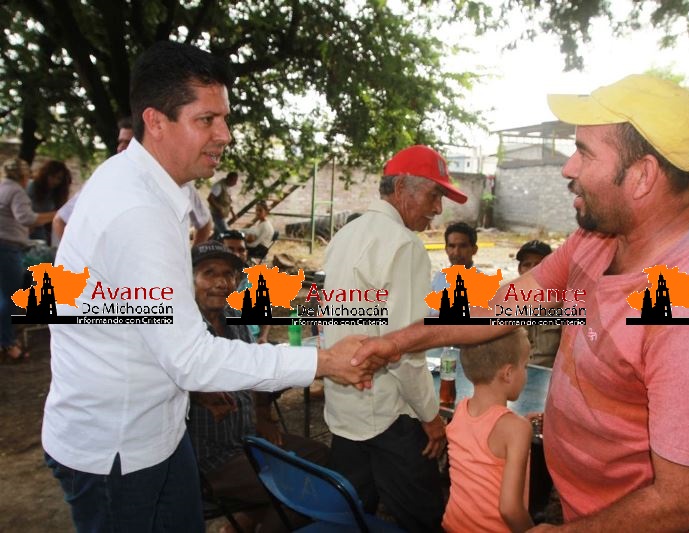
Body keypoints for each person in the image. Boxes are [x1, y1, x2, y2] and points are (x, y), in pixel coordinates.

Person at [353, 75, 689, 531]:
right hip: (588, 506)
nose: (568, 168)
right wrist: (397, 342)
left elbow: (683, 501)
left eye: (585, 153)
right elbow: (506, 306)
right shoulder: (599, 238)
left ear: (643, 175)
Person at [43, 41, 374, 532]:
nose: (225, 135)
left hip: (157, 428)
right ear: (156, 121)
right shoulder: (137, 210)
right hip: (118, 450)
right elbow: (191, 358)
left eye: (225, 119)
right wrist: (322, 362)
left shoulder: (147, 184)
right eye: (207, 120)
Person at [323, 144, 468, 532]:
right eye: (434, 195)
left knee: (350, 519)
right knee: (424, 519)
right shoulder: (404, 245)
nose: (438, 209)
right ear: (401, 187)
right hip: (389, 416)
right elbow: (405, 349)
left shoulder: (346, 234)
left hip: (345, 409)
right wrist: (431, 418)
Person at [187, 240, 329, 533]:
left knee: (323, 458)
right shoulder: (179, 328)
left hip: (249, 439)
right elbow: (156, 379)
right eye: (209, 273)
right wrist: (195, 393)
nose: (220, 282)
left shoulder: (235, 318)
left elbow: (257, 368)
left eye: (228, 274)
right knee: (297, 489)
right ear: (188, 279)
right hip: (209, 459)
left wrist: (262, 414)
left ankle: (247, 521)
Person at [52, 117, 213, 247]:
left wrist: (192, 261)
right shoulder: (104, 180)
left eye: (128, 143)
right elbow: (61, 220)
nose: (121, 148)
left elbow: (205, 224)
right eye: (120, 142)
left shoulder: (179, 184)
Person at [443, 328, 533, 533]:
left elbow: (483, 438)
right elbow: (510, 509)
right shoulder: (517, 430)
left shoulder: (461, 410)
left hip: (453, 526)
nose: (526, 373)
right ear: (508, 373)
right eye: (525, 366)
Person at [0, 158, 56, 360]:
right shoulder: (16, 191)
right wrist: (56, 215)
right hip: (8, 248)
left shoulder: (2, 187)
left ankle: (5, 340)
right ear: (24, 176)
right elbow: (26, 218)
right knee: (10, 296)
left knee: (2, 296)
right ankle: (8, 344)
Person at [515, 240, 561, 368]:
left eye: (538, 264)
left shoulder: (563, 305)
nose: (532, 270)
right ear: (519, 270)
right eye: (527, 265)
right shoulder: (508, 304)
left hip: (548, 373)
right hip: (514, 372)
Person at [27, 160, 72, 242]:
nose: (55, 181)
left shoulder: (56, 194)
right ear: (46, 174)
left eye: (58, 178)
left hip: (39, 229)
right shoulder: (32, 186)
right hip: (23, 226)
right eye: (52, 176)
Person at [431, 221, 479, 293]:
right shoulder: (438, 280)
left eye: (463, 246)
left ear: (474, 250)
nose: (456, 253)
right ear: (446, 249)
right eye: (452, 246)